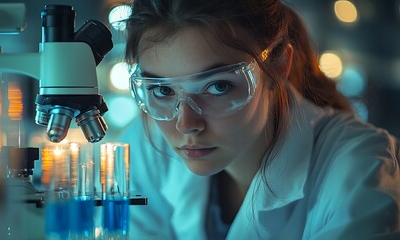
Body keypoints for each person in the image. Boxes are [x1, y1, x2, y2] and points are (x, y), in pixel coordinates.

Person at [115, 0, 400, 239]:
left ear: (278, 66)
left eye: (218, 86)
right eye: (162, 90)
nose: (185, 124)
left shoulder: (360, 166)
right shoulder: (145, 146)